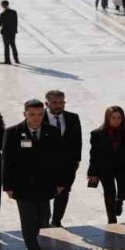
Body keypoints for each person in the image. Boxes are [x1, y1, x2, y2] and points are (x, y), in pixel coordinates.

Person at [2, 99, 69, 250]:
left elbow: (60, 159)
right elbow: (7, 161)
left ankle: (34, 237)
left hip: (45, 184)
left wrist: (61, 182)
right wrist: (8, 186)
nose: (36, 118)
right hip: (22, 185)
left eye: (39, 114)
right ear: (24, 114)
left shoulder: (52, 132)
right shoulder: (13, 132)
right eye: (32, 114)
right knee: (28, 219)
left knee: (42, 218)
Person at [87, 106, 125, 224]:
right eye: (113, 118)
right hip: (105, 167)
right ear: (107, 118)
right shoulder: (97, 133)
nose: (116, 120)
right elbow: (94, 154)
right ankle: (111, 219)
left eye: (119, 118)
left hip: (123, 166)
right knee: (109, 192)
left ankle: (119, 201)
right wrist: (92, 173)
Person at [43, 90, 82, 227]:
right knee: (44, 194)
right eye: (54, 103)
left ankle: (56, 220)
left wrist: (77, 160)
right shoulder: (38, 118)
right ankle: (44, 221)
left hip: (67, 165)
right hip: (45, 165)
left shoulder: (73, 117)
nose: (58, 106)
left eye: (61, 102)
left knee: (64, 193)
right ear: (46, 104)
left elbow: (78, 140)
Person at [0, 0, 19, 65]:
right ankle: (16, 60)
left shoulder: (3, 14)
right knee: (13, 45)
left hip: (5, 32)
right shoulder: (14, 12)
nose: (1, 5)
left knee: (6, 46)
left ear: (4, 5)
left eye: (1, 4)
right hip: (12, 31)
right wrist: (15, 30)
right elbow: (16, 22)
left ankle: (7, 61)